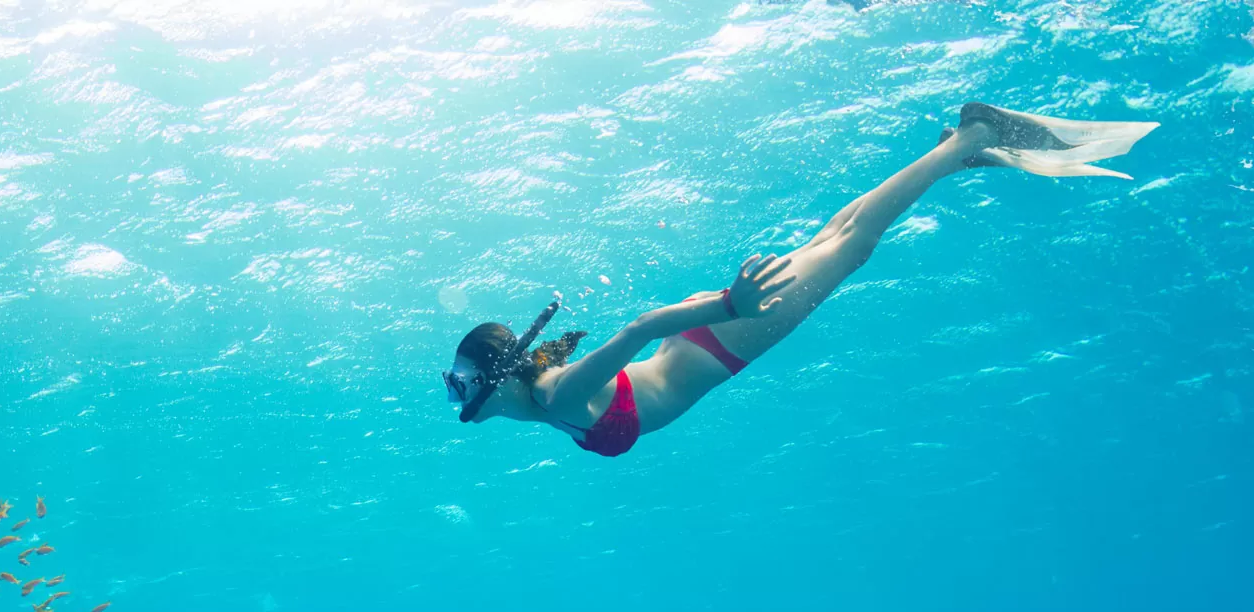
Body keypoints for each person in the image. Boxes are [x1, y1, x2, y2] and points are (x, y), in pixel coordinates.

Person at [442, 103, 1158, 457]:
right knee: (835, 241)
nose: (462, 399)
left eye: (461, 385)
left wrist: (729, 303)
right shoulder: (545, 398)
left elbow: (633, 332)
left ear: (495, 376)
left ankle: (968, 140)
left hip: (720, 337)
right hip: (705, 333)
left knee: (852, 247)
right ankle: (949, 154)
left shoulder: (556, 392)